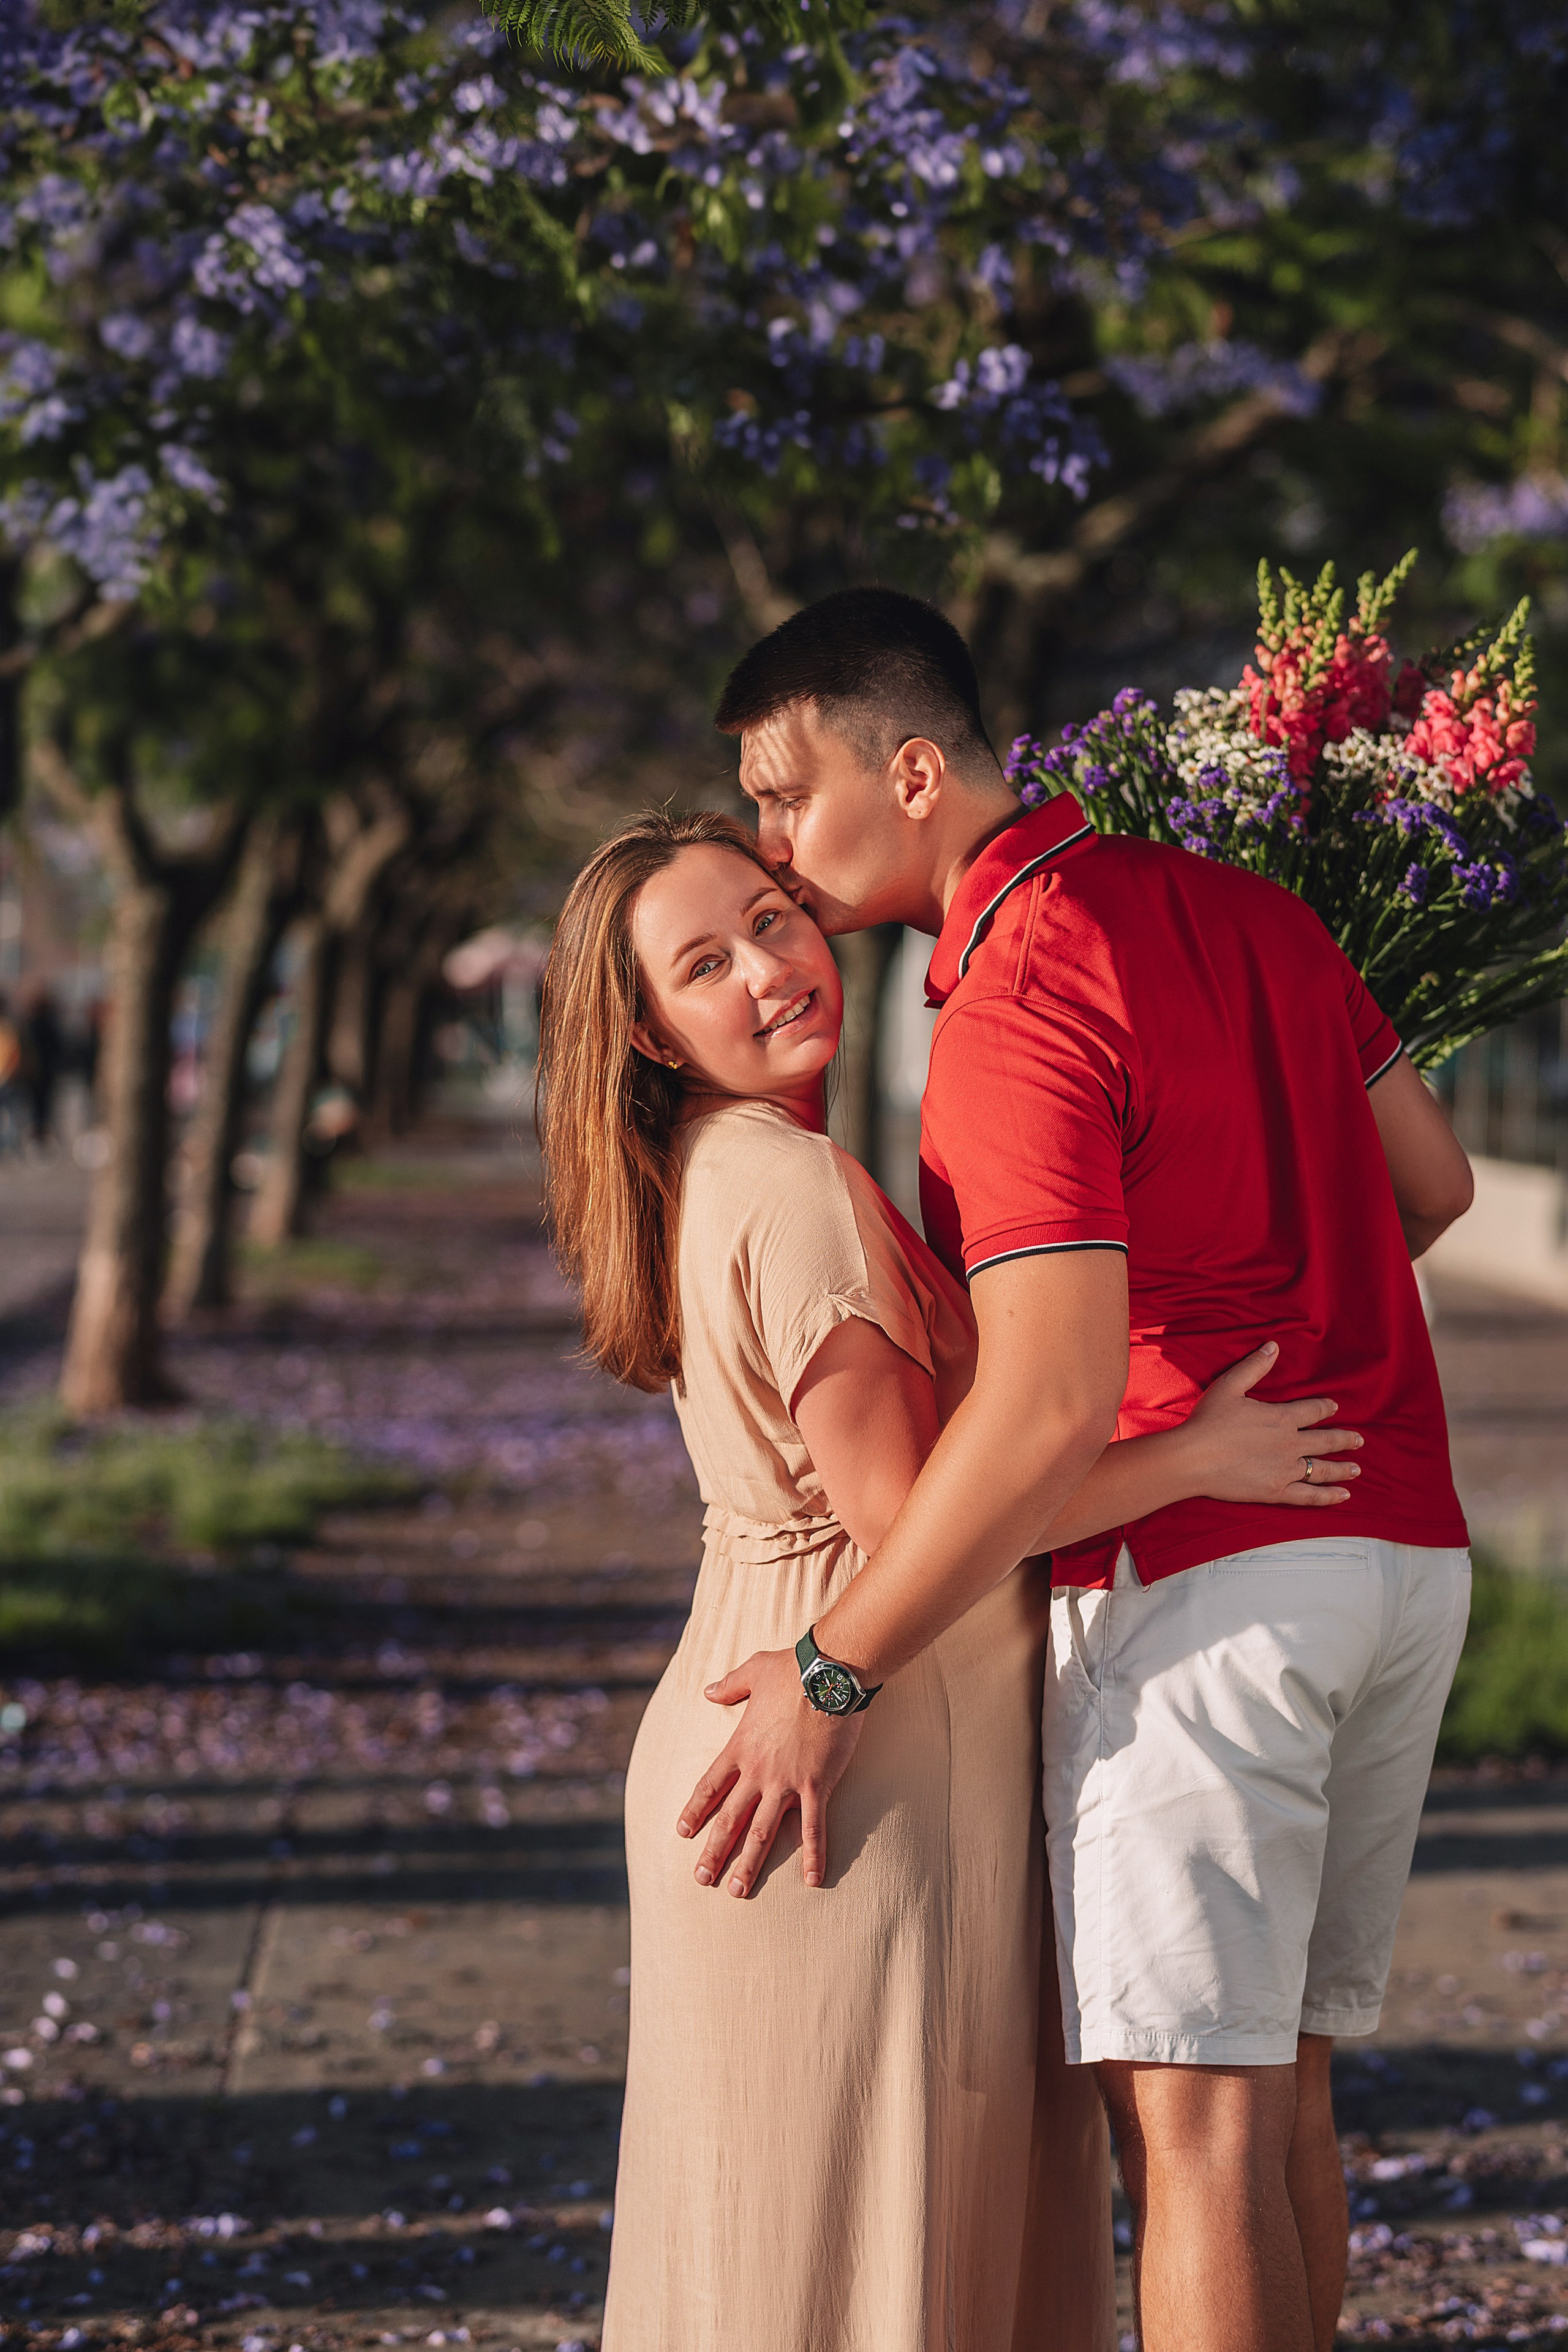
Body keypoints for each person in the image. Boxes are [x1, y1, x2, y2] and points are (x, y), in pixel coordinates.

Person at [677, 590, 1477, 2352]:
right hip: (1402, 1551)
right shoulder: (1259, 910)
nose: (772, 846)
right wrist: (1279, 1297)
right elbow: (1436, 1188)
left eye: (782, 797)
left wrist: (832, 1667)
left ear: (908, 768)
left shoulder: (1020, 986)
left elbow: (1042, 1409)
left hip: (1212, 1589)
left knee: (1187, 2137)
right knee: (1280, 2109)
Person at [537, 809, 1368, 2352]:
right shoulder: (784, 1186)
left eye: (771, 920)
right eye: (704, 965)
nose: (769, 971)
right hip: (849, 1752)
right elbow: (924, 1514)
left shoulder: (735, 1168)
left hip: (834, 1723)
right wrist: (1197, 1459)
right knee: (861, 2259)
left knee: (815, 2246)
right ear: (647, 1034)